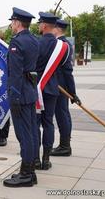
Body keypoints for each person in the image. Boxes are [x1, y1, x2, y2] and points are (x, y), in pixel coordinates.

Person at [3, 7, 39, 187]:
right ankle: (30, 171)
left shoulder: (17, 42)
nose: (11, 25)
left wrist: (14, 98)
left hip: (21, 94)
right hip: (30, 91)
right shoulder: (34, 40)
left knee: (24, 135)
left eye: (12, 22)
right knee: (31, 132)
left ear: (17, 22)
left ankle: (25, 174)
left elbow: (15, 73)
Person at [34, 12, 69, 170]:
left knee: (35, 124)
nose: (39, 25)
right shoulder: (61, 46)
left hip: (37, 89)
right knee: (48, 123)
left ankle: (35, 158)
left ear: (45, 25)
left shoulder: (37, 43)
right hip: (52, 89)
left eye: (40, 23)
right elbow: (64, 69)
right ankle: (46, 159)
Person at [51, 19, 81, 156]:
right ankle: (65, 145)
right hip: (60, 86)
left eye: (53, 27)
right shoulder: (63, 44)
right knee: (63, 115)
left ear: (57, 29)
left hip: (60, 87)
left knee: (62, 115)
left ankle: (65, 146)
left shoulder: (62, 45)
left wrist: (73, 93)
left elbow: (68, 71)